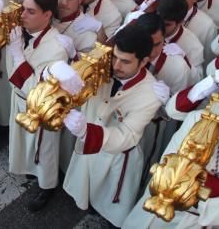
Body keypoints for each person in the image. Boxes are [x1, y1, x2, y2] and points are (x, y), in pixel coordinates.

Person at [122, 67, 219, 229]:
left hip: (201, 223)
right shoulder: (197, 120)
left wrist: (186, 191)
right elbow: (166, 167)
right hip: (153, 216)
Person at [62, 23, 164, 226]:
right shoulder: (102, 65)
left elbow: (127, 135)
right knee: (84, 185)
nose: (116, 66)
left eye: (125, 61)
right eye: (115, 56)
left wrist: (86, 132)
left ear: (144, 61)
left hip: (117, 156)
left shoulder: (150, 94)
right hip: (88, 142)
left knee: (109, 203)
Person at [6, 0, 70, 212]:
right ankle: (29, 170)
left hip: (40, 107)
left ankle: (47, 186)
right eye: (23, 9)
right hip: (19, 98)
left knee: (44, 149)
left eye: (31, 12)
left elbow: (38, 88)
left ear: (47, 14)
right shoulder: (21, 32)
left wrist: (17, 55)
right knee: (24, 142)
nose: (23, 15)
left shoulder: (57, 48)